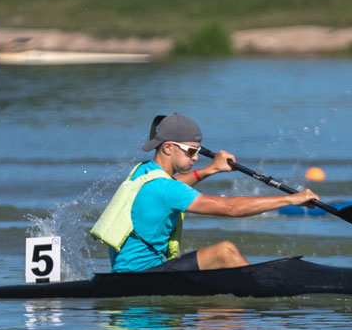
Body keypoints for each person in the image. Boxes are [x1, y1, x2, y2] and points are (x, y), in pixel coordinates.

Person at [91, 113, 320, 273]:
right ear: (168, 147)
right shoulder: (167, 189)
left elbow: (176, 184)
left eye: (198, 151)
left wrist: (212, 169)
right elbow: (232, 208)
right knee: (225, 252)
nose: (196, 158)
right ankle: (264, 292)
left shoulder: (144, 172)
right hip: (141, 277)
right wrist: (292, 198)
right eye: (191, 151)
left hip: (133, 272)